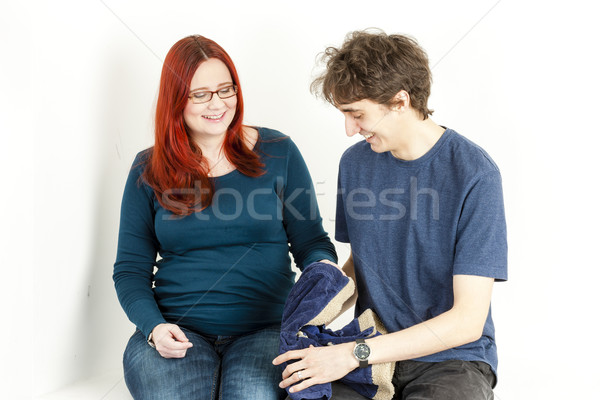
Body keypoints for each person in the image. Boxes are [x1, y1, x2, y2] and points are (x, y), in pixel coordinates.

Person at [274, 29, 507, 400]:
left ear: (400, 101)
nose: (349, 129)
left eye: (357, 114)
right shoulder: (355, 164)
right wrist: (310, 314)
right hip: (370, 350)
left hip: (451, 361)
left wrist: (350, 354)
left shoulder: (474, 174)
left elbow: (467, 321)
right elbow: (361, 263)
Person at [113, 35, 337, 400]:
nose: (217, 103)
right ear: (176, 100)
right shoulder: (147, 169)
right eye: (200, 94)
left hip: (267, 331)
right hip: (177, 331)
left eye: (225, 89)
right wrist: (154, 328)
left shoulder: (279, 152)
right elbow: (129, 270)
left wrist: (322, 275)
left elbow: (312, 243)